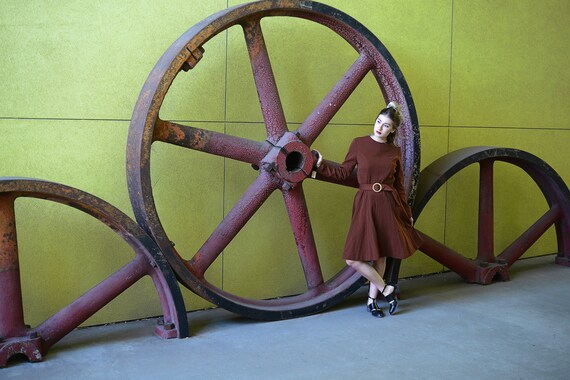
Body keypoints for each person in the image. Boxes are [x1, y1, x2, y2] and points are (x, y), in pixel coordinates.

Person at [313, 102, 423, 317]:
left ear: (392, 130)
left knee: (380, 256)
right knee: (353, 258)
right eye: (379, 121)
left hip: (388, 204)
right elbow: (344, 173)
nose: (380, 127)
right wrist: (320, 164)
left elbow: (399, 186)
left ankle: (372, 301)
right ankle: (386, 290)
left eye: (386, 125)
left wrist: (406, 212)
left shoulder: (394, 151)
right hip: (365, 202)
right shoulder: (359, 144)